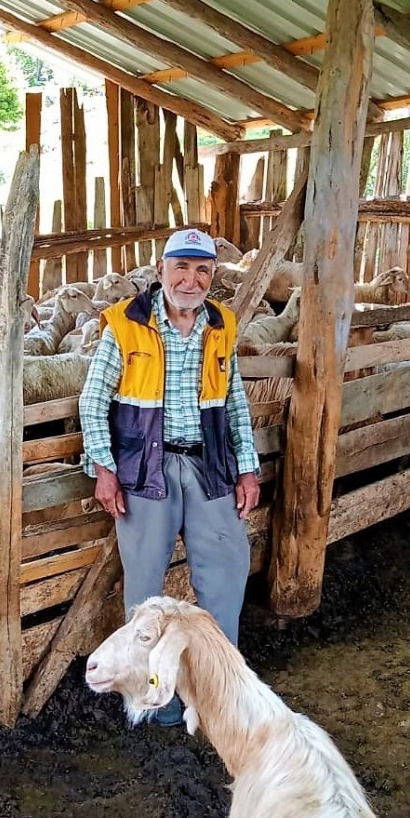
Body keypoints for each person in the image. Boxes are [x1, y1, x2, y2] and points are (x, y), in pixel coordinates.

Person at [79, 228, 260, 725]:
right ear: (161, 271)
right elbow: (93, 402)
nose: (191, 278)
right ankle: (154, 703)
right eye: (181, 267)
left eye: (202, 269)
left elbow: (235, 400)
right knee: (145, 595)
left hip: (209, 466)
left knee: (224, 578)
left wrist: (248, 467)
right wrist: (104, 469)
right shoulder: (125, 324)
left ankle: (218, 696)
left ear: (212, 276)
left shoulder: (222, 324)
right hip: (145, 471)